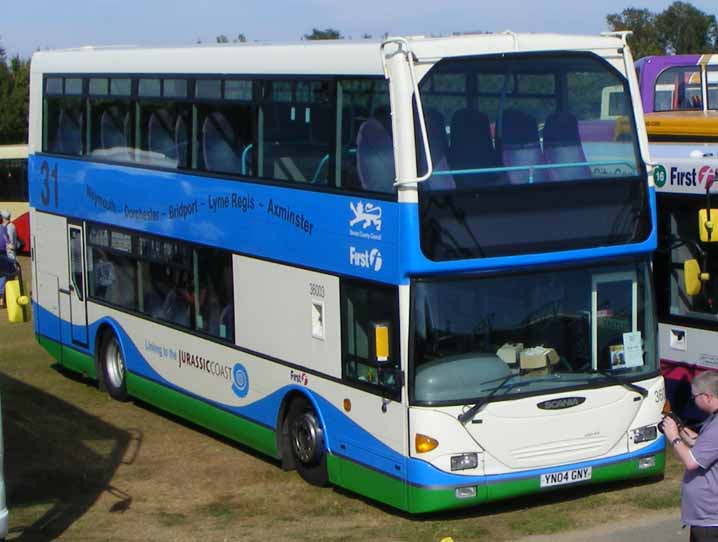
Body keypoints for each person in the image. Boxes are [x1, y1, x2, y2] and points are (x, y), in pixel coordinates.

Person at [663, 371, 718, 542]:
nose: (693, 401)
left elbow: (691, 461)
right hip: (705, 517)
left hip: (710, 521)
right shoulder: (713, 420)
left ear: (707, 396)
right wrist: (680, 427)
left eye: (694, 397)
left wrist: (673, 437)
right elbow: (701, 444)